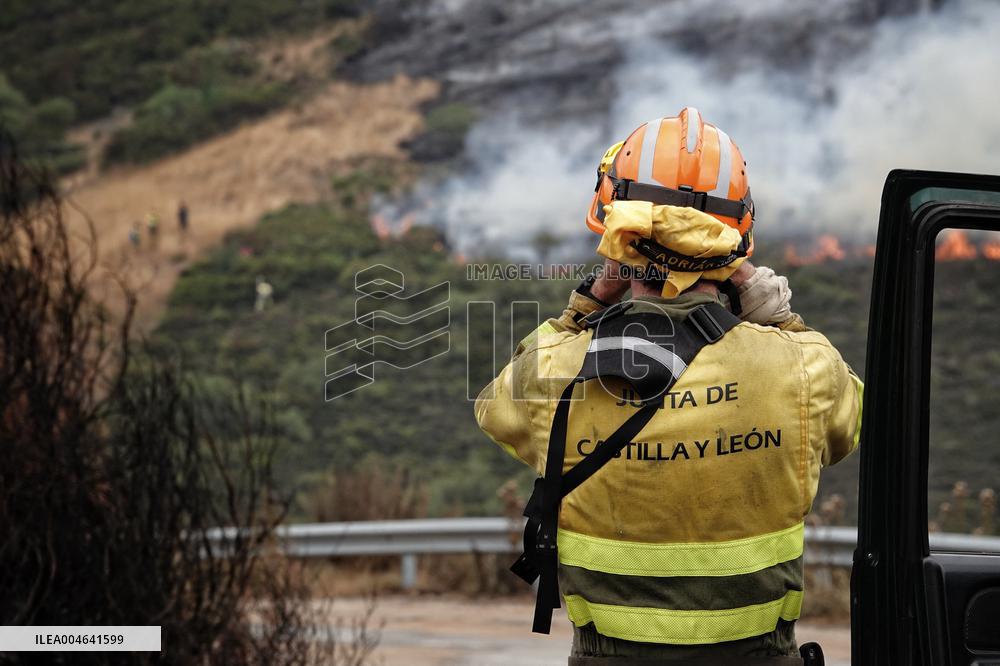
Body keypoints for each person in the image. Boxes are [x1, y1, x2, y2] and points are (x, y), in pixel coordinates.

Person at [475, 108, 862, 664]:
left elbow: (495, 408)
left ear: (616, 233)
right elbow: (851, 421)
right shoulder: (803, 368)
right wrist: (779, 317)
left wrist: (582, 307)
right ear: (738, 237)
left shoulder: (557, 368)